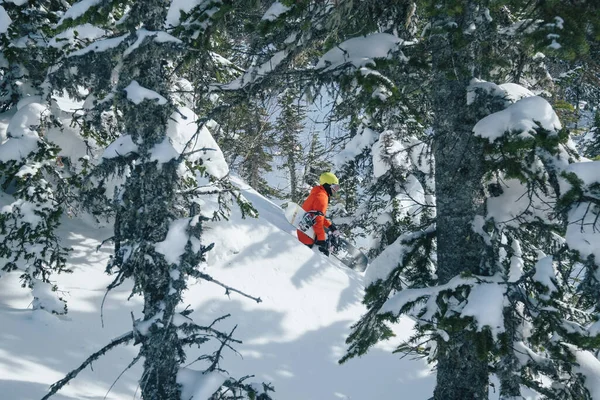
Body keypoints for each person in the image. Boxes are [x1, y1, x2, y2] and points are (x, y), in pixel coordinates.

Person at [297, 172, 341, 256]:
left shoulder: (318, 193)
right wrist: (321, 240)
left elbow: (316, 215)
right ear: (327, 185)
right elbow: (318, 220)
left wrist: (330, 226)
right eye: (334, 187)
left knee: (326, 236)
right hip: (307, 237)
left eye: (337, 188)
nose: (335, 190)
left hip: (304, 231)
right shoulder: (322, 197)